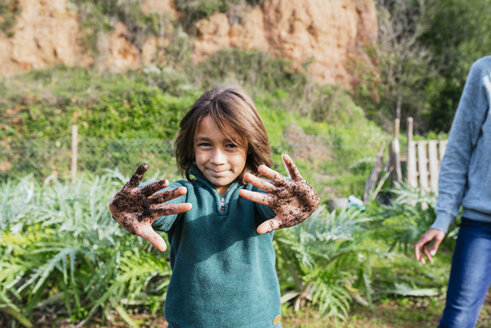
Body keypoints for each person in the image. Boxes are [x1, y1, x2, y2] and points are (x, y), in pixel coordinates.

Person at [109, 87, 320, 328]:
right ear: (191, 148)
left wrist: (297, 202)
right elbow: (159, 205)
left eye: (230, 145)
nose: (217, 159)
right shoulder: (182, 196)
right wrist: (134, 205)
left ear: (249, 147)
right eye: (205, 145)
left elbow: (275, 206)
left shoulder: (257, 196)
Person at [414, 56, 491, 328]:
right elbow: (459, 150)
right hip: (482, 226)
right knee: (457, 321)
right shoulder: (485, 72)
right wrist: (443, 217)